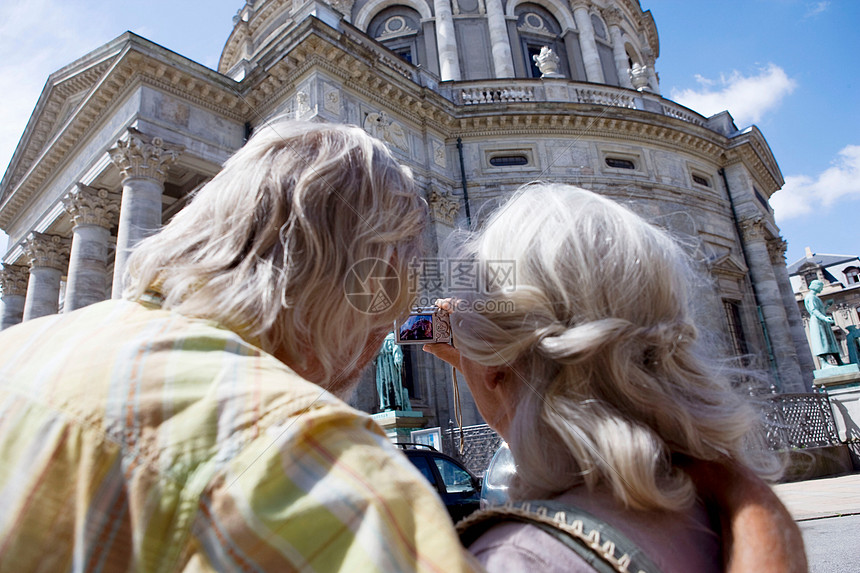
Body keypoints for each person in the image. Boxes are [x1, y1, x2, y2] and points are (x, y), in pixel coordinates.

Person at [0, 121, 479, 571]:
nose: (381, 341)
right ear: (366, 287)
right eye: (390, 311)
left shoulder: (18, 346)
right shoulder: (315, 456)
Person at [425, 183, 807, 573]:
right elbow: (573, 421)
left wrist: (499, 381)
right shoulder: (714, 500)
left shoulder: (516, 556)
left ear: (498, 367)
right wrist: (499, 379)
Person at [804, 279, 843, 367]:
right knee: (821, 341)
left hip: (821, 321)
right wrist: (824, 318)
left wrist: (827, 306)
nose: (821, 289)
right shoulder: (810, 297)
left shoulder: (815, 297)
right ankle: (824, 363)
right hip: (817, 322)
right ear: (816, 286)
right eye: (821, 287)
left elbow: (820, 311)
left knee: (830, 341)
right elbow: (814, 310)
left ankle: (839, 361)